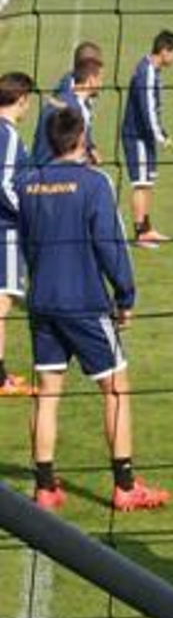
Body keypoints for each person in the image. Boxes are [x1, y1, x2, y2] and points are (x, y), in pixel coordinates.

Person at [19, 108, 170, 511]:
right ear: (81, 136)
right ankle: (124, 485)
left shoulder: (27, 184)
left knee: (47, 394)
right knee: (116, 388)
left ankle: (45, 486)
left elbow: (25, 244)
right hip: (83, 303)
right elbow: (111, 246)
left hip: (42, 303)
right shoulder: (94, 183)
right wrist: (126, 297)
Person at [121, 29, 173, 248]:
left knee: (147, 183)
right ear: (164, 51)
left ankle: (147, 229)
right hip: (137, 136)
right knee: (140, 183)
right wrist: (159, 136)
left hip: (145, 136)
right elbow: (146, 108)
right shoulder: (146, 71)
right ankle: (139, 234)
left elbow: (153, 109)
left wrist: (161, 131)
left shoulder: (152, 70)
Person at [0, 73, 35, 396]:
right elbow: (4, 185)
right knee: (2, 302)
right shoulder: (8, 136)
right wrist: (30, 215)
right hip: (5, 233)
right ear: (22, 99)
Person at [33, 50, 102, 167]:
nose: (101, 84)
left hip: (39, 167)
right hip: (52, 171)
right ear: (91, 80)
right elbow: (70, 152)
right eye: (100, 79)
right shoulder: (74, 110)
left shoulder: (67, 96)